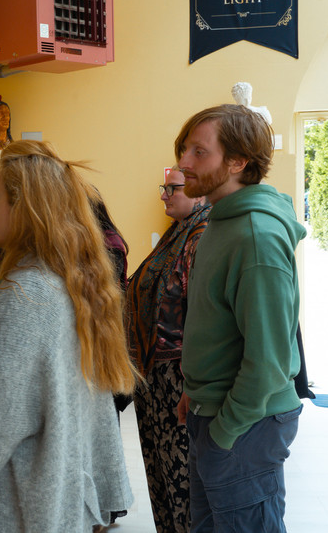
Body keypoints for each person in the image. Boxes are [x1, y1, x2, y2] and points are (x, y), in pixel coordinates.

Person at [0, 140, 139, 532]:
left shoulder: (25, 297)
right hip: (51, 505)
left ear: (27, 211)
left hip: (14, 512)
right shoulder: (68, 282)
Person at [175, 104, 305, 532]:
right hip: (214, 413)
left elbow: (268, 362)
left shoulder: (255, 237)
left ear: (237, 162)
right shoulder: (221, 219)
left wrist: (224, 432)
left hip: (245, 425)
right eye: (185, 150)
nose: (184, 162)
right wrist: (198, 391)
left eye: (199, 152)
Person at [126, 166, 210, 533]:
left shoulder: (203, 234)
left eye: (172, 188)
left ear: (199, 192)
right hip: (155, 376)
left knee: (182, 483)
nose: (164, 194)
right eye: (165, 187)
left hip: (180, 379)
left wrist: (193, 381)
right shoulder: (178, 232)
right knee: (160, 477)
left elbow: (203, 313)